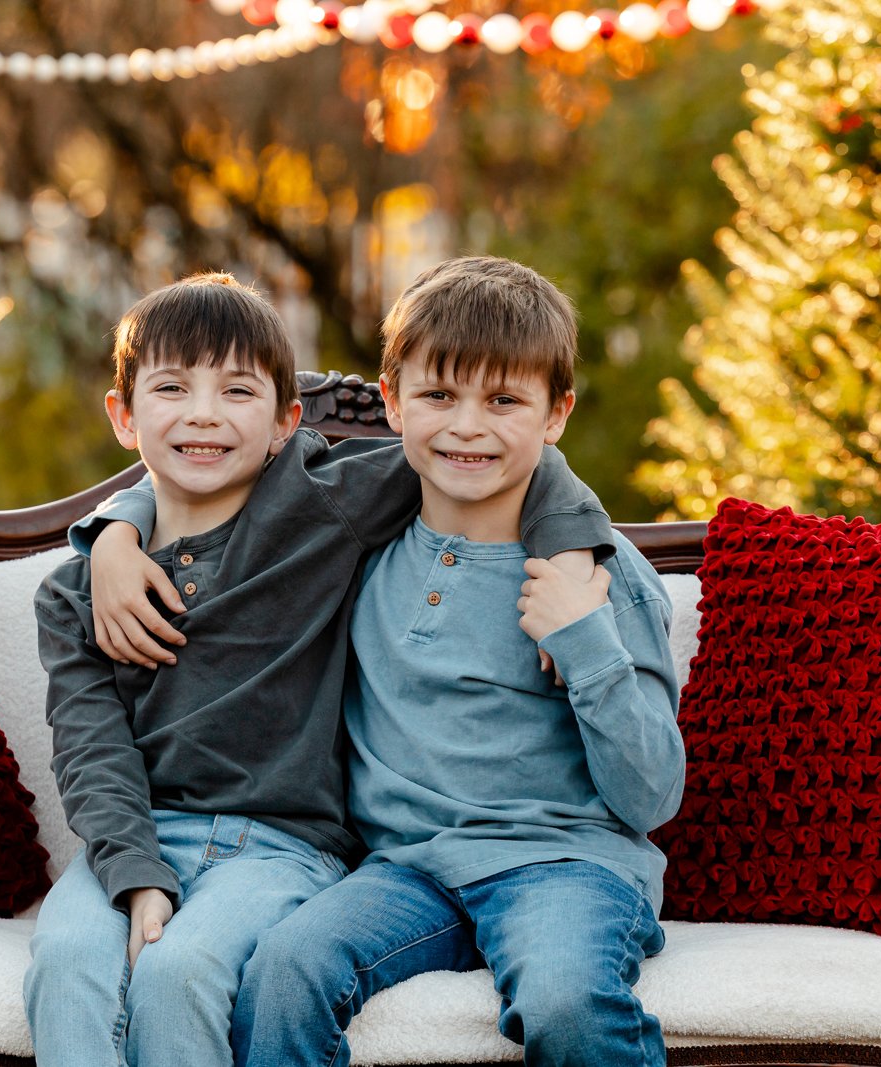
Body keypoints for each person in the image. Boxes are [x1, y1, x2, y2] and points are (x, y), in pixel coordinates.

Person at [25, 271, 612, 1067]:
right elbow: (91, 749)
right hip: (131, 838)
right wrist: (135, 873)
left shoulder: (320, 507)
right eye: (171, 388)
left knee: (180, 970)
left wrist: (571, 543)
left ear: (284, 421)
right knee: (65, 966)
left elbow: (494, 450)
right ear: (123, 416)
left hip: (282, 845)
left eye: (237, 390)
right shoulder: (75, 595)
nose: (203, 412)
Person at [228, 256, 686, 1067]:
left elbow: (651, 794)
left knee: (567, 1001)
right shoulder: (358, 546)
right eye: (439, 395)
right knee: (283, 971)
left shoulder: (599, 574)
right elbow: (202, 480)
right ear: (394, 400)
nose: (467, 426)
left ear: (556, 414)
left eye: (504, 400)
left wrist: (584, 638)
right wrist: (118, 531)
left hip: (566, 865)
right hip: (408, 869)